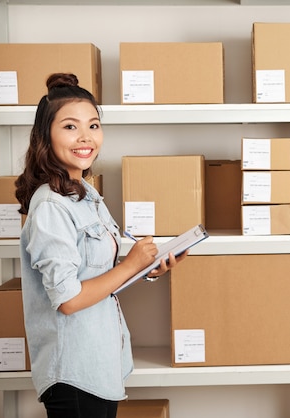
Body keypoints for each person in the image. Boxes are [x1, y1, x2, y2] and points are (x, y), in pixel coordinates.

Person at [15, 73, 187, 418]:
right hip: (74, 372)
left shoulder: (85, 193)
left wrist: (147, 268)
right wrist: (130, 264)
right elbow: (68, 299)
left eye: (93, 126)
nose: (85, 137)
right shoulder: (51, 205)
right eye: (70, 127)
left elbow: (98, 277)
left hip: (99, 363)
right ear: (44, 136)